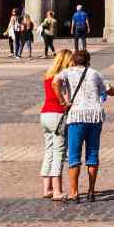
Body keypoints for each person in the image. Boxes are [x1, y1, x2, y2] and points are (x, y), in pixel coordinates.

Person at [54, 49, 114, 202]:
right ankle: (91, 191)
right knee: (92, 154)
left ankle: (74, 192)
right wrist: (111, 90)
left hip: (76, 116)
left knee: (74, 155)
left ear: (74, 61)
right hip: (95, 117)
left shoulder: (67, 72)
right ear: (88, 61)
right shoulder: (95, 73)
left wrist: (62, 101)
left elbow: (55, 82)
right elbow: (110, 90)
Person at [39, 49, 73, 201]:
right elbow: (65, 98)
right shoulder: (61, 78)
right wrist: (66, 102)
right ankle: (57, 190)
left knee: (49, 151)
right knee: (59, 153)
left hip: (45, 114)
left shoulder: (48, 76)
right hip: (57, 115)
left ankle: (47, 188)